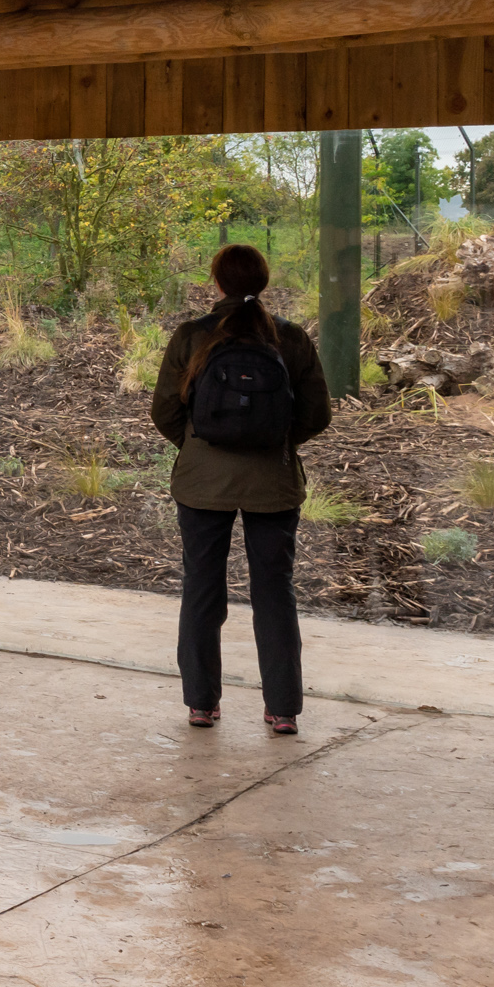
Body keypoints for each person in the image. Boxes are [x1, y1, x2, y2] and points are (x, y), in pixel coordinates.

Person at [149, 243, 331, 736]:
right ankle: (283, 710)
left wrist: (198, 444)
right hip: (272, 483)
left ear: (217, 283)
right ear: (264, 283)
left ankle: (202, 705)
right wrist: (276, 441)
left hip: (201, 485)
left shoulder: (191, 336)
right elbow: (318, 415)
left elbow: (164, 411)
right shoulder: (291, 339)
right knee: (275, 591)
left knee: (202, 587)